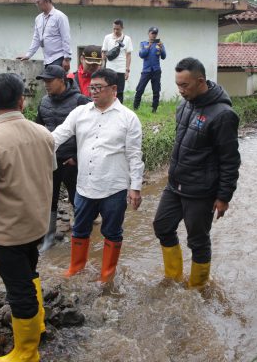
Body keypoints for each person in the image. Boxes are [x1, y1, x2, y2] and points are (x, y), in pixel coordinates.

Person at [0, 73, 55, 361]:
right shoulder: (44, 134)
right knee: (29, 273)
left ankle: (26, 353)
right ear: (21, 100)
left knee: (18, 289)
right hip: (36, 224)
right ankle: (39, 325)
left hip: (8, 231)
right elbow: (47, 169)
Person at [153, 57, 241, 289]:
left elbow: (230, 160)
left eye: (185, 85)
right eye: (178, 84)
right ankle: (173, 277)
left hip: (201, 191)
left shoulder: (223, 115)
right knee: (162, 226)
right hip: (175, 185)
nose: (180, 90)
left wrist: (223, 197)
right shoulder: (184, 105)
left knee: (198, 241)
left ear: (200, 81)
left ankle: (197, 287)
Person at [52, 68, 144, 283]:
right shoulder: (80, 113)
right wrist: (33, 143)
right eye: (91, 87)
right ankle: (75, 268)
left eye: (98, 88)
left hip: (114, 186)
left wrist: (136, 187)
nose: (93, 92)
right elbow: (58, 136)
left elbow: (134, 154)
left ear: (113, 89)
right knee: (80, 228)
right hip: (85, 185)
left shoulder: (128, 118)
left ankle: (107, 275)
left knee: (112, 232)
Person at [35, 65, 90, 252]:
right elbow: (39, 129)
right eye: (44, 81)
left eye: (49, 81)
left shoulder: (80, 101)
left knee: (77, 198)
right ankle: (48, 239)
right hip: (50, 159)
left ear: (62, 80)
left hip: (72, 161)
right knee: (49, 198)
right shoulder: (43, 102)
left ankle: (82, 235)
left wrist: (76, 157)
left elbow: (92, 132)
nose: (46, 85)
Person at [17, 0, 72, 71]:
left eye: (38, 2)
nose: (36, 4)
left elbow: (66, 38)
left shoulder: (60, 16)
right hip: (47, 60)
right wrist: (28, 55)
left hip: (59, 58)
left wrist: (67, 59)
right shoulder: (38, 19)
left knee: (57, 83)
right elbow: (36, 39)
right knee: (49, 83)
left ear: (46, 1)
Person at [133, 26, 167, 112]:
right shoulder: (143, 43)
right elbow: (141, 55)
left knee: (156, 90)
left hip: (156, 70)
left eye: (155, 34)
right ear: (148, 33)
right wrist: (148, 46)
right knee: (140, 89)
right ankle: (135, 108)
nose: (154, 35)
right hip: (146, 71)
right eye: (152, 33)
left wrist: (161, 48)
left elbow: (164, 56)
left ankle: (154, 109)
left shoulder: (160, 44)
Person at [102, 19, 133, 103]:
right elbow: (104, 52)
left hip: (121, 69)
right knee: (108, 89)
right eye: (114, 29)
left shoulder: (127, 39)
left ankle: (119, 110)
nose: (115, 31)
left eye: (118, 29)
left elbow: (128, 55)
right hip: (109, 69)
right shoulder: (107, 37)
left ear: (122, 28)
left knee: (119, 92)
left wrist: (127, 70)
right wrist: (103, 67)